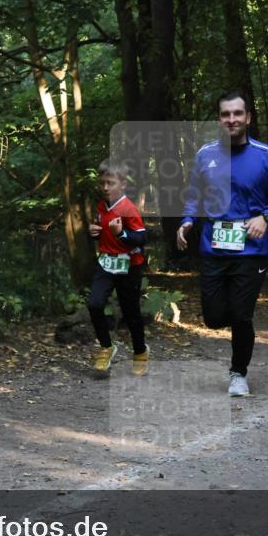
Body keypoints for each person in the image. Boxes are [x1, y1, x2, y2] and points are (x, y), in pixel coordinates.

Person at [176, 91, 268, 396]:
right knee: (214, 317)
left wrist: (266, 217)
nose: (232, 119)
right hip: (214, 247)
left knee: (241, 315)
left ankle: (238, 373)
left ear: (248, 118)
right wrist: (187, 220)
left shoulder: (266, 156)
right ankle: (236, 316)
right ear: (219, 119)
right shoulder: (205, 155)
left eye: (237, 113)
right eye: (225, 114)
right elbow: (194, 193)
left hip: (252, 249)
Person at [87, 160, 150, 375]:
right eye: (102, 183)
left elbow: (141, 238)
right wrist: (94, 232)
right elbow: (103, 232)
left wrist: (121, 233)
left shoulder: (128, 208)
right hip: (106, 263)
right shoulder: (101, 206)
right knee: (94, 304)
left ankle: (140, 352)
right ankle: (106, 347)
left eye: (110, 183)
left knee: (131, 313)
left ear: (122, 184)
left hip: (129, 266)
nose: (105, 187)